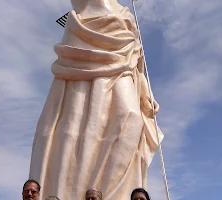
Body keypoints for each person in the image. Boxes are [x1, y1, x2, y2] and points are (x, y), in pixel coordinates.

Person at [29, 0, 164, 199]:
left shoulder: (126, 15)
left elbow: (136, 65)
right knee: (76, 131)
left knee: (132, 119)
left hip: (121, 71)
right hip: (80, 78)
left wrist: (145, 94)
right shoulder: (79, 17)